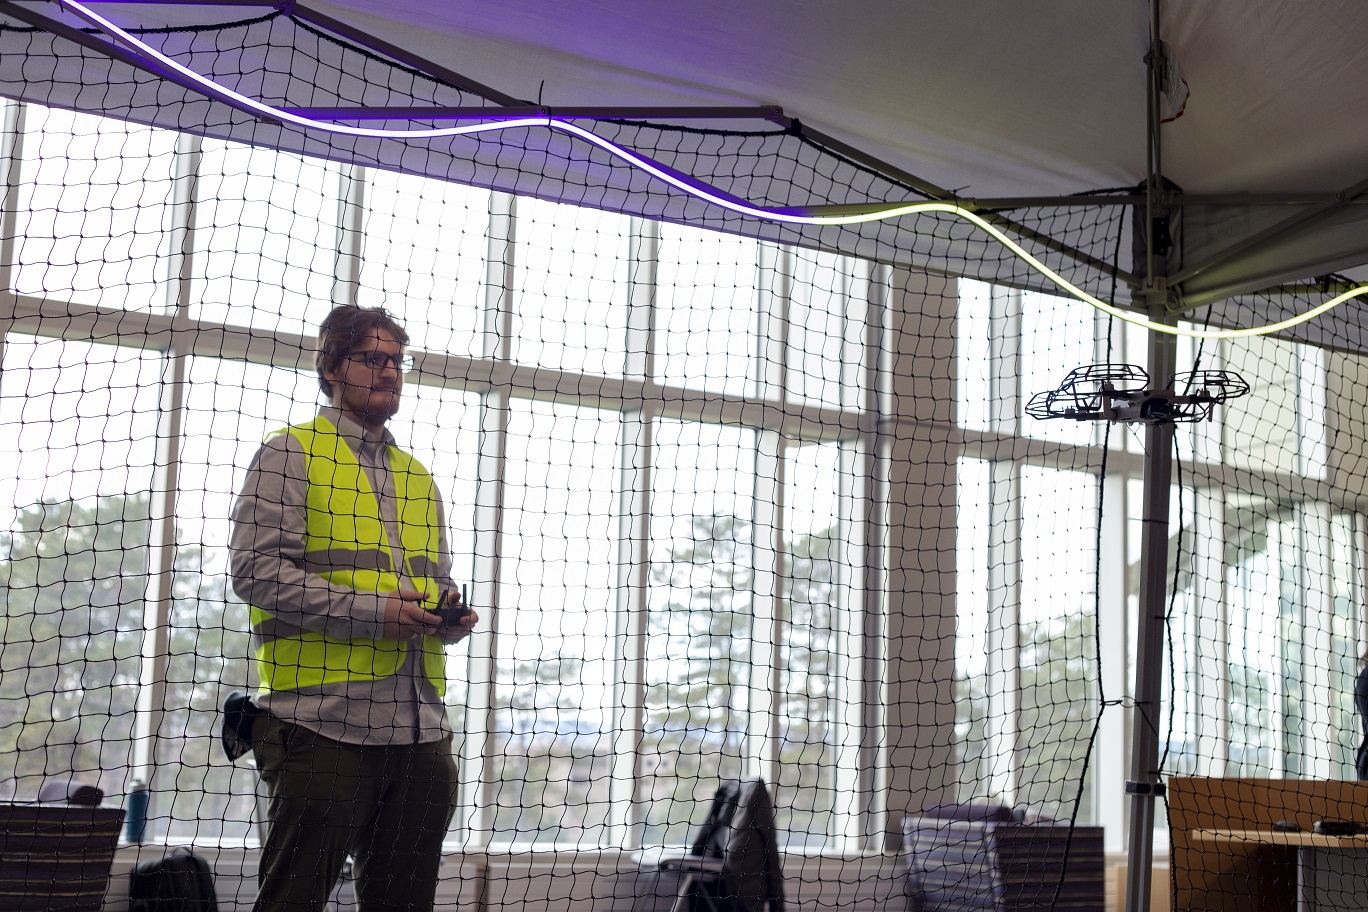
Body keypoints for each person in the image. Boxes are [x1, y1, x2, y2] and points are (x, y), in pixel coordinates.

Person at [230, 304, 478, 912]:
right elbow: (254, 573)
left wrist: (446, 618)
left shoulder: (419, 478)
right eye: (372, 358)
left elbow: (431, 582)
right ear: (333, 367)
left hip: (421, 736)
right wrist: (375, 612)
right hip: (322, 730)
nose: (389, 371)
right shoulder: (289, 454)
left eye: (397, 361)